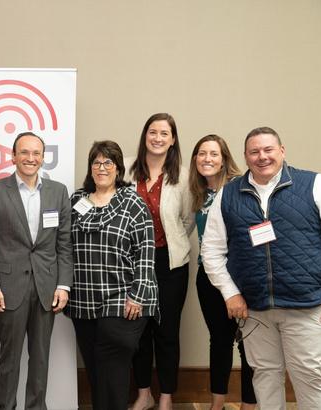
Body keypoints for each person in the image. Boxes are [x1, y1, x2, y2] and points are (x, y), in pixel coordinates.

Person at [202, 127, 321, 409]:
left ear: (282, 151)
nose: (262, 156)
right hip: (254, 310)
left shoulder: (314, 184)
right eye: (254, 151)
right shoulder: (228, 195)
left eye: (268, 149)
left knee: (309, 378)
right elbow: (211, 251)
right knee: (264, 377)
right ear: (245, 156)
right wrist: (230, 293)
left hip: (306, 306)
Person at [0, 131, 73, 410]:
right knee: (10, 358)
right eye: (24, 152)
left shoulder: (58, 191)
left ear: (43, 158)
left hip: (47, 287)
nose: (30, 158)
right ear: (13, 156)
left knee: (41, 357)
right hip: (9, 288)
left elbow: (64, 243)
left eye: (36, 153)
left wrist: (63, 285)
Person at [65, 141, 157, 410]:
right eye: (96, 162)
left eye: (108, 162)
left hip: (123, 297)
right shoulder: (77, 201)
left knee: (112, 368)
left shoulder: (133, 203)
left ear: (118, 168)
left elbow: (146, 252)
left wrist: (138, 295)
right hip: (83, 299)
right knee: (96, 371)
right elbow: (63, 245)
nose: (102, 167)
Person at [128, 113, 194, 410]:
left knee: (167, 333)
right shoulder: (126, 169)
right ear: (145, 135)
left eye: (164, 133)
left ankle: (166, 396)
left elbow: (187, 220)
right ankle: (144, 394)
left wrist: (170, 242)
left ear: (173, 139)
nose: (157, 138)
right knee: (138, 332)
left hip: (170, 263)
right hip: (131, 263)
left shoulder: (183, 176)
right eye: (152, 132)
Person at [188, 135, 256, 410]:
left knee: (250, 344)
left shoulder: (241, 189)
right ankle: (217, 405)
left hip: (242, 277)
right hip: (208, 277)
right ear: (195, 159)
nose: (207, 159)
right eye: (202, 153)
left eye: (214, 154)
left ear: (224, 159)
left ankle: (249, 405)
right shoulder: (197, 192)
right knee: (219, 341)